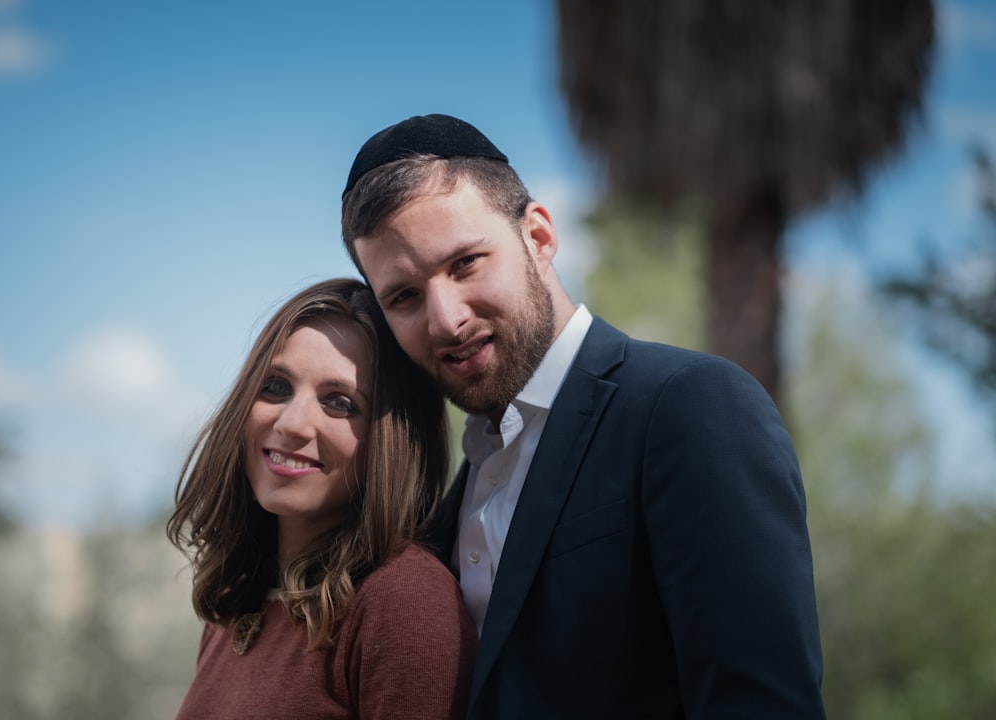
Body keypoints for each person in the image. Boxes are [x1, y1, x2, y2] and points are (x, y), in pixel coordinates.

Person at [340, 114, 826, 718]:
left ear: (538, 237)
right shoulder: (444, 512)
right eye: (404, 296)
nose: (446, 318)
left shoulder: (689, 406)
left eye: (465, 263)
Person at [168, 278, 478, 720]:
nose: (293, 423)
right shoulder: (238, 601)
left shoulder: (405, 603)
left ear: (390, 442)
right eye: (275, 387)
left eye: (339, 403)